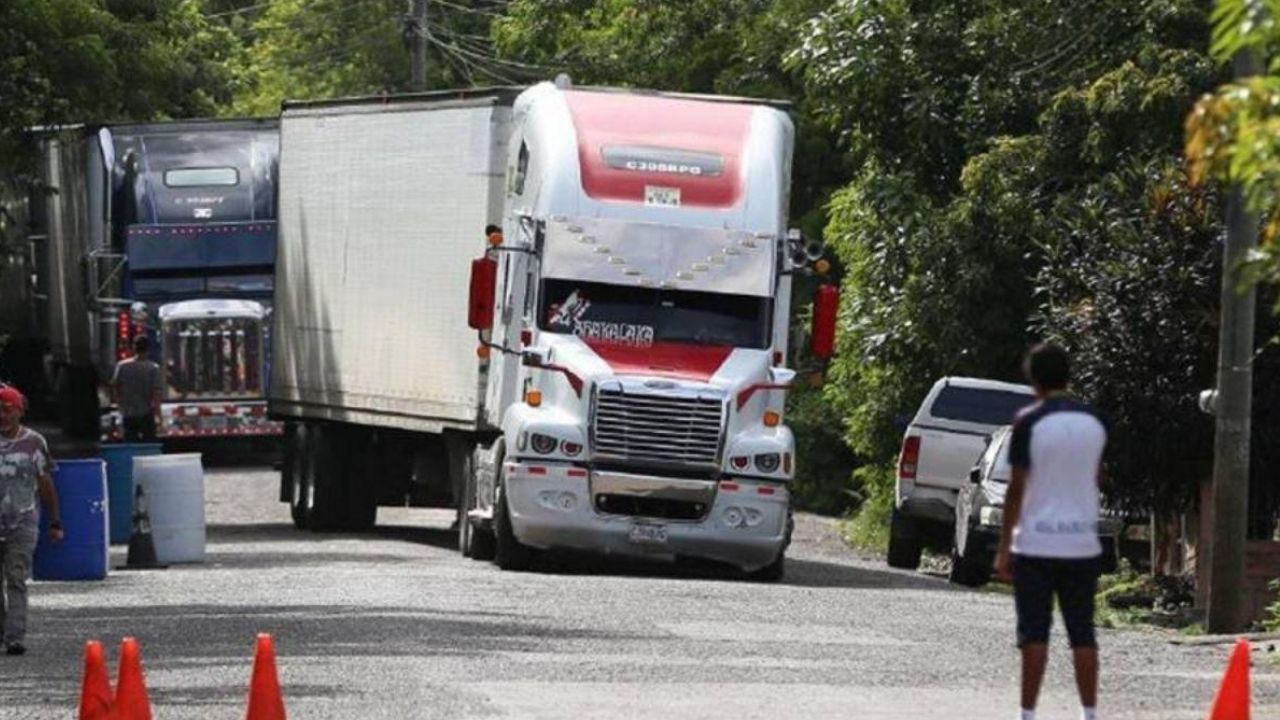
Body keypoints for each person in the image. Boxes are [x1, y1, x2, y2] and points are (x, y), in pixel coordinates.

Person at [994, 343, 1107, 720]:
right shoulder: (1093, 421)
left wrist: (1004, 546)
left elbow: (1017, 487)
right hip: (1081, 542)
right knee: (1082, 632)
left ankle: (1028, 713)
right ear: (1067, 375)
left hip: (1037, 542)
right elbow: (1095, 475)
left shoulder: (1029, 421)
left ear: (1033, 380)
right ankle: (1088, 713)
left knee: (1034, 634)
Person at [0, 384, 62, 656]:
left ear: (18, 411)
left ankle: (15, 636)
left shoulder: (34, 442)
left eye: (7, 409)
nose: (2, 415)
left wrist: (55, 520)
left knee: (16, 578)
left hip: (22, 521)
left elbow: (45, 481)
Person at [112, 335, 163, 442]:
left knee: (130, 443)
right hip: (146, 413)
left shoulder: (122, 366)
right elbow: (156, 392)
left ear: (134, 348)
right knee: (148, 444)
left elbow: (115, 387)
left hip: (128, 413)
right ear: (148, 349)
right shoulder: (153, 368)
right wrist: (158, 415)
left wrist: (119, 406)